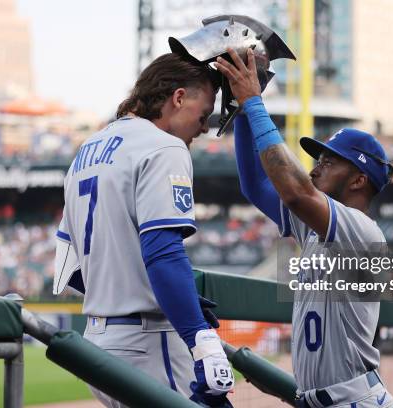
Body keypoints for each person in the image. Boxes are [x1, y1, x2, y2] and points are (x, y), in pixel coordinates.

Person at [214, 48, 393, 407]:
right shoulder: (316, 229)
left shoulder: (361, 233)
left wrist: (253, 102)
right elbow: (256, 186)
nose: (315, 168)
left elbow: (297, 192)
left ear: (359, 180)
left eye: (329, 162)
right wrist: (241, 109)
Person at [52, 52, 234, 407]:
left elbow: (71, 269)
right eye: (204, 114)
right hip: (149, 342)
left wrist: (160, 291)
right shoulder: (164, 145)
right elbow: (163, 252)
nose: (204, 126)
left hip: (99, 343)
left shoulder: (87, 150)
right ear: (178, 97)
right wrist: (201, 338)